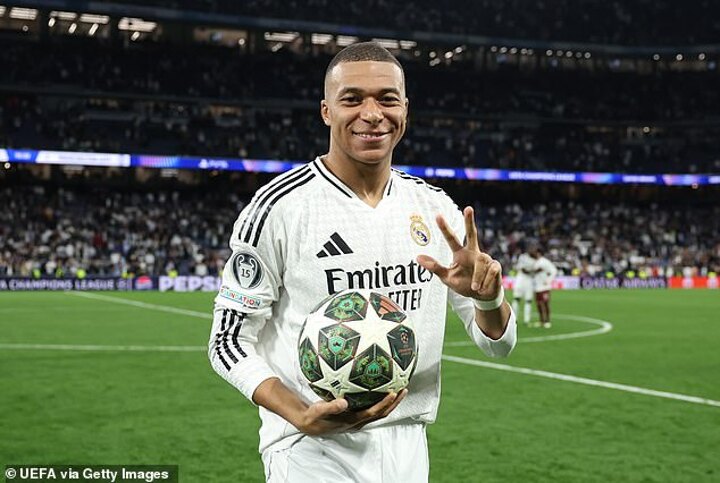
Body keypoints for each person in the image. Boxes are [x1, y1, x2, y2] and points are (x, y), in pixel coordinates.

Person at [208, 42, 517, 482]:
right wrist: (298, 413)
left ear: (405, 110)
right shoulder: (280, 208)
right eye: (352, 99)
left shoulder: (437, 210)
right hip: (312, 451)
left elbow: (499, 345)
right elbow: (228, 340)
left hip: (410, 445)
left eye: (387, 99)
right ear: (326, 111)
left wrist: (488, 299)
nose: (372, 114)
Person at [530, 246, 557, 328]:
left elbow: (554, 270)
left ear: (538, 253)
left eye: (535, 252)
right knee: (539, 304)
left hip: (545, 287)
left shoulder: (545, 262)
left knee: (545, 303)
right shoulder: (536, 262)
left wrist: (549, 280)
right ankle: (541, 320)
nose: (533, 253)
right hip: (537, 287)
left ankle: (547, 321)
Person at [512, 247, 536, 325]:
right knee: (516, 299)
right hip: (521, 280)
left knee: (528, 300)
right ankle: (514, 318)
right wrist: (533, 271)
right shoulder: (523, 257)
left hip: (529, 281)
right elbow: (523, 269)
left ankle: (527, 320)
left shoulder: (536, 260)